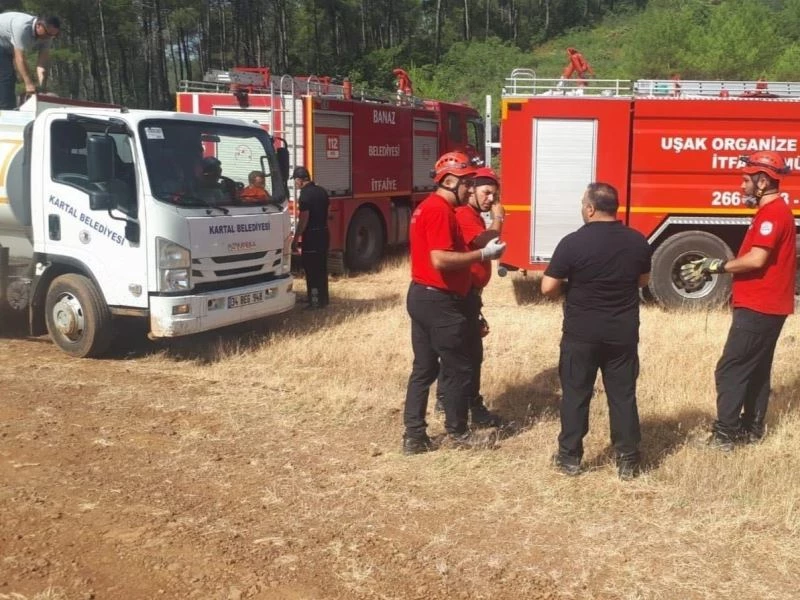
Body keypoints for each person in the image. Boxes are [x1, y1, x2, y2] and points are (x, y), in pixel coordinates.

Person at [681, 151, 796, 451]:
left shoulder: (772, 215)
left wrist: (716, 265)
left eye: (746, 180)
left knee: (730, 369)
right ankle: (752, 429)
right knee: (756, 368)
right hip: (769, 306)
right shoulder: (774, 212)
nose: (741, 186)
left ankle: (725, 436)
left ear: (762, 182)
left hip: (760, 306)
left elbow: (757, 259)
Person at [541, 183, 651, 480]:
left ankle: (570, 458)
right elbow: (642, 281)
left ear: (590, 208)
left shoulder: (572, 243)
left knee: (576, 394)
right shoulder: (637, 241)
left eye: (582, 204)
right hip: (622, 333)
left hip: (581, 333)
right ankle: (628, 459)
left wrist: (570, 292)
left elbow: (548, 287)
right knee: (623, 395)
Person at [402, 152, 507, 455]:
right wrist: (481, 256)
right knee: (459, 367)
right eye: (467, 183)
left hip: (423, 295)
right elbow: (441, 259)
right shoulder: (439, 211)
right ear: (450, 181)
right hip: (439, 300)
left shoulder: (429, 208)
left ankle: (414, 436)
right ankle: (459, 432)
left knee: (423, 368)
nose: (470, 189)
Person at [434, 166, 505, 428]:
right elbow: (487, 243)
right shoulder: (464, 213)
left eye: (494, 196)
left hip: (470, 294)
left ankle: (454, 399)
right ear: (471, 189)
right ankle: (463, 405)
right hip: (462, 295)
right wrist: (499, 219)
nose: (490, 200)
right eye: (486, 193)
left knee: (463, 352)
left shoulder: (471, 213)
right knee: (467, 354)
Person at [0, 13, 60, 110]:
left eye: (54, 35)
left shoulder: (48, 36)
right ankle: (5, 111)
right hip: (2, 42)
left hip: (7, 44)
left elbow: (41, 64)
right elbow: (19, 58)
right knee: (7, 76)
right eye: (48, 34)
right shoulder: (22, 28)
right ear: (39, 25)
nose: (49, 37)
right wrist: (29, 84)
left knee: (13, 77)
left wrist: (42, 88)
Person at [292, 166, 330, 309]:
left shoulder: (305, 195)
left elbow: (304, 219)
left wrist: (296, 239)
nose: (295, 184)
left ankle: (314, 302)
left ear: (300, 180)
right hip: (324, 233)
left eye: (295, 180)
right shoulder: (322, 191)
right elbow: (328, 212)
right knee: (321, 269)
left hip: (312, 236)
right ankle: (323, 300)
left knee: (312, 271)